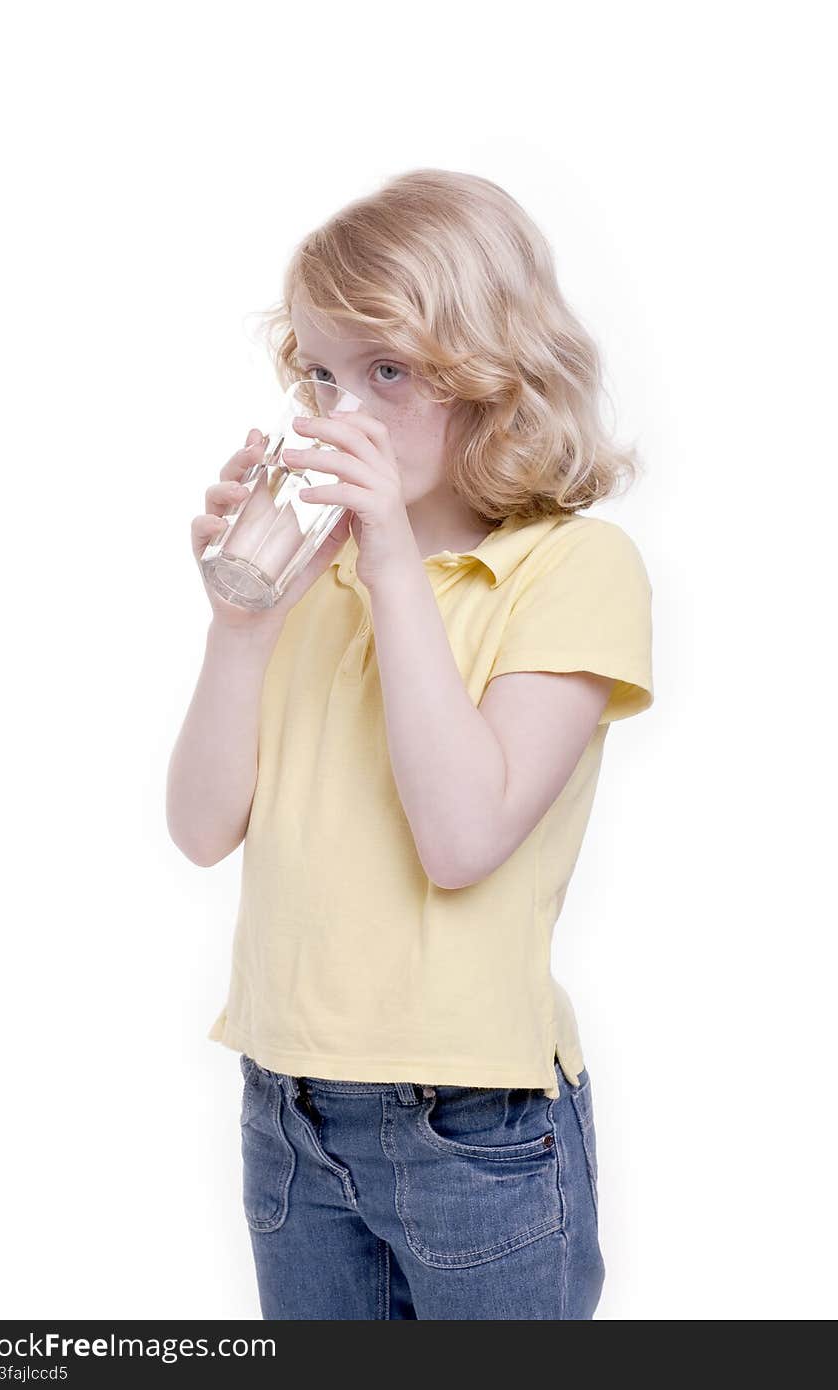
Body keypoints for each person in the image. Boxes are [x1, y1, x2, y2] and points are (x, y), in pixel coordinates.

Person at [166, 168, 654, 1320]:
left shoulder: (570, 569)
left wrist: (389, 560)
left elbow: (461, 837)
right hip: (288, 1106)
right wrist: (240, 627)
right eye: (325, 374)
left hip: (471, 1126)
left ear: (495, 376)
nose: (346, 414)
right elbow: (198, 830)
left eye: (388, 372)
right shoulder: (312, 575)